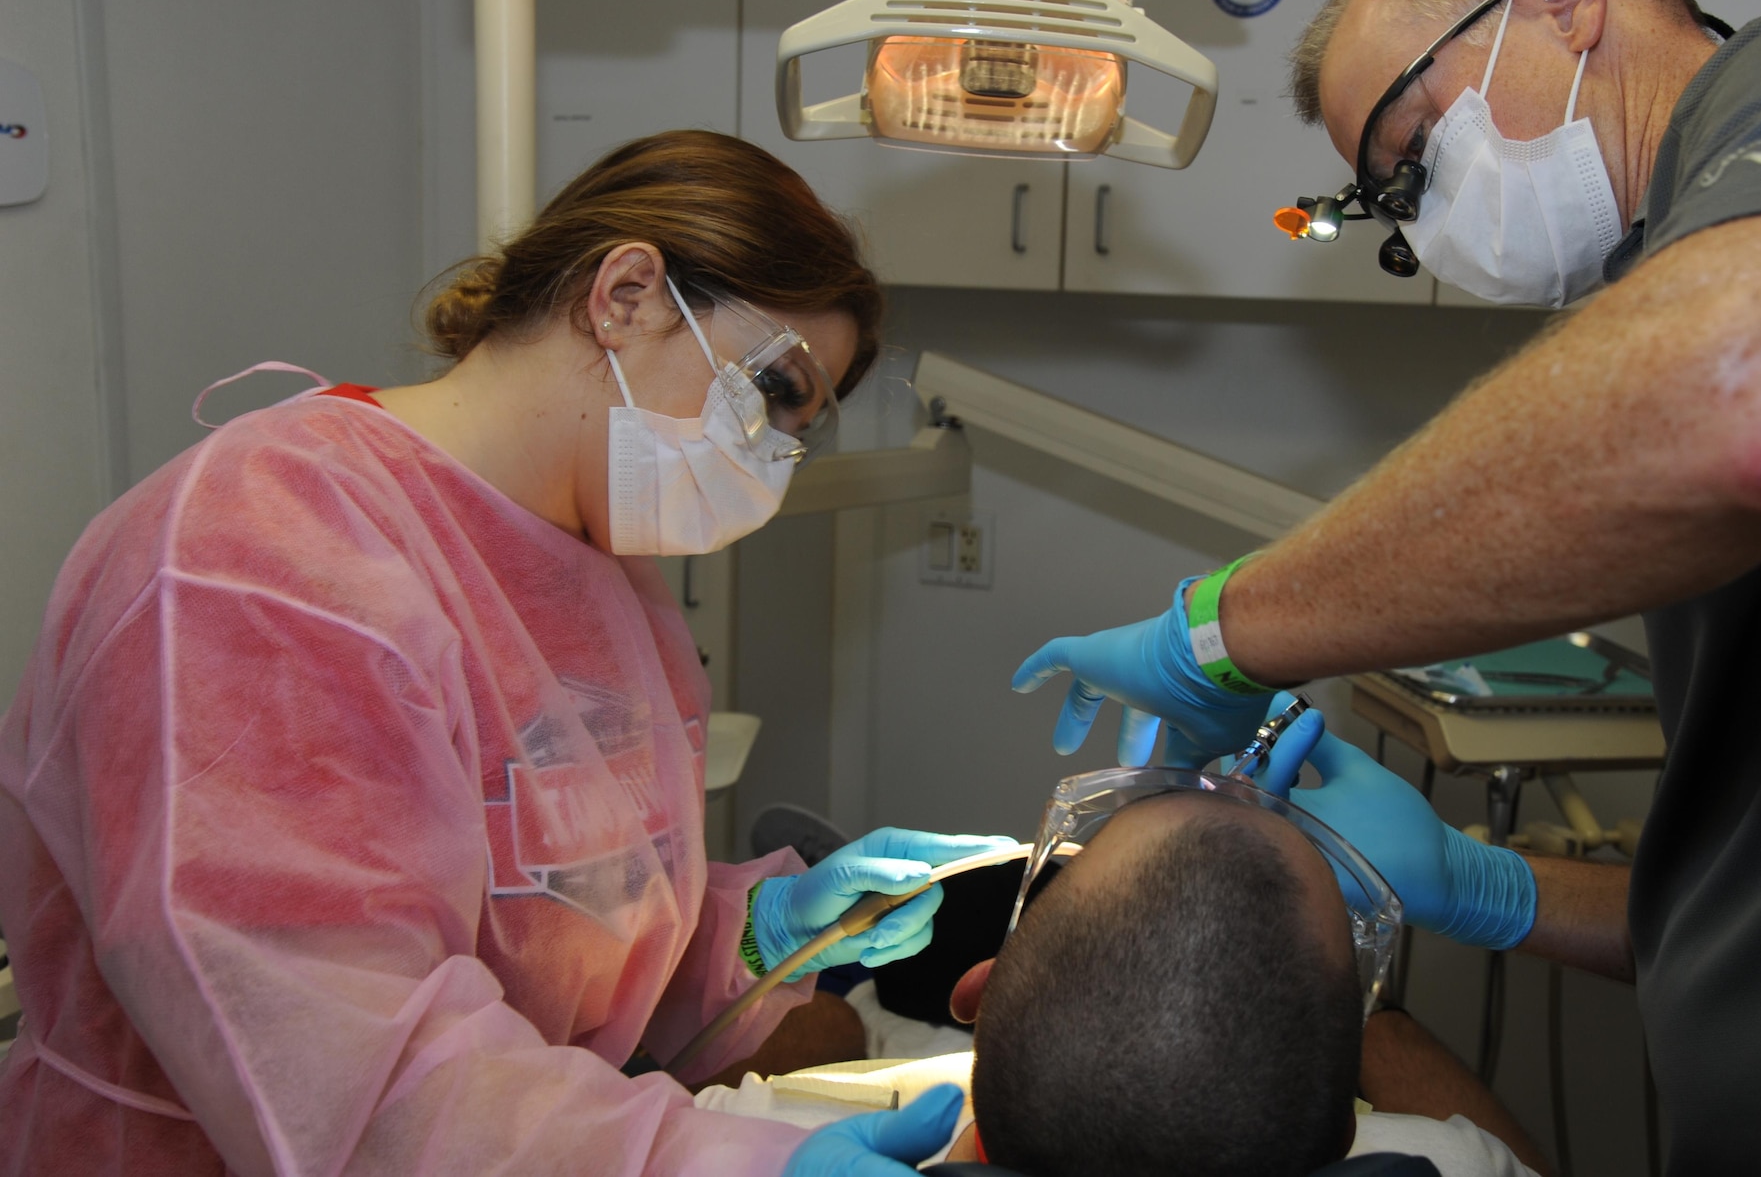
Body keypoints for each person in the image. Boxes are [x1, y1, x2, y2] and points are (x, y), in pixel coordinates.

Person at [1011, 0, 1761, 1173]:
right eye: (1391, 210)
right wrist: (1489, 884)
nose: (1421, 226)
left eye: (1411, 158)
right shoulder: (1680, 291)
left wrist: (1227, 630)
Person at [0, 129, 1011, 1175]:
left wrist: (756, 933)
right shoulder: (257, 552)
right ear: (625, 293)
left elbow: (563, 914)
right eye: (769, 395)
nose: (766, 462)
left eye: (793, 431)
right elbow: (345, 1067)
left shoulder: (600, 572)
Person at [697, 782, 1546, 1176]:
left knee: (845, 1024)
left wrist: (757, 935)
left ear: (978, 996)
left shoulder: (744, 1137)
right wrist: (1356, 1018)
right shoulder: (1453, 1156)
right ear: (1344, 1125)